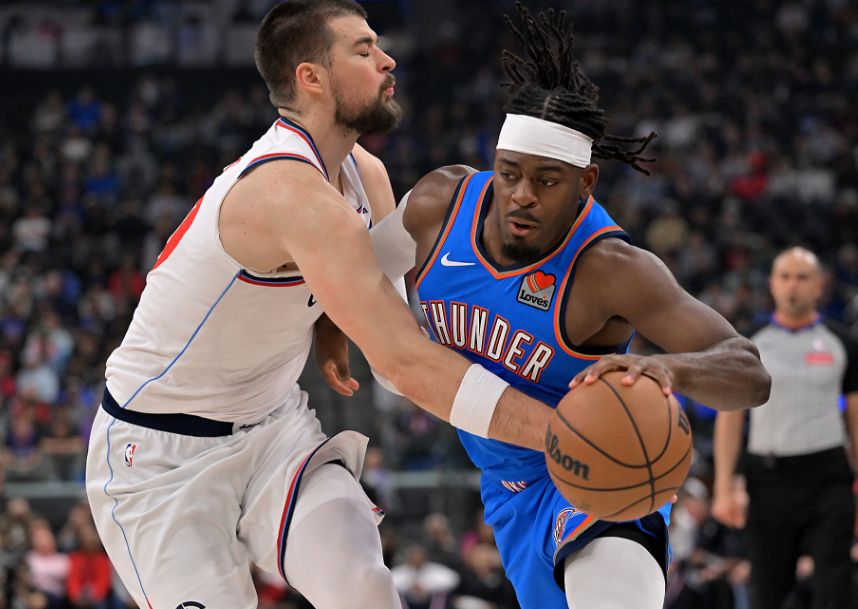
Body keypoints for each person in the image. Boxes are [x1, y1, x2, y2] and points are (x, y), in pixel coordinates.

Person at [83, 2, 579, 608]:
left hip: (273, 428)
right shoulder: (288, 192)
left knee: (365, 588)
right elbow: (403, 365)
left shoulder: (364, 173)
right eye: (364, 50)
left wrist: (329, 322)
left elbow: (388, 320)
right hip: (158, 457)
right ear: (311, 77)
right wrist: (567, 433)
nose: (387, 60)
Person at [318, 5, 770, 608]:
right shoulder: (439, 204)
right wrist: (332, 325)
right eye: (509, 174)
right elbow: (363, 271)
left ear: (585, 184)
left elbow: (750, 372)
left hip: (603, 464)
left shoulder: (612, 269)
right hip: (505, 486)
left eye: (548, 181)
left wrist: (669, 369)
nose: (522, 196)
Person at [713, 246, 858, 609]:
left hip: (828, 476)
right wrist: (723, 486)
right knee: (767, 593)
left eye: (802, 277)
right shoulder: (748, 342)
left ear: (819, 285)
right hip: (768, 479)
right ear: (772, 284)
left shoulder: (842, 342)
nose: (793, 285)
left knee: (834, 591)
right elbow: (730, 416)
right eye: (785, 277)